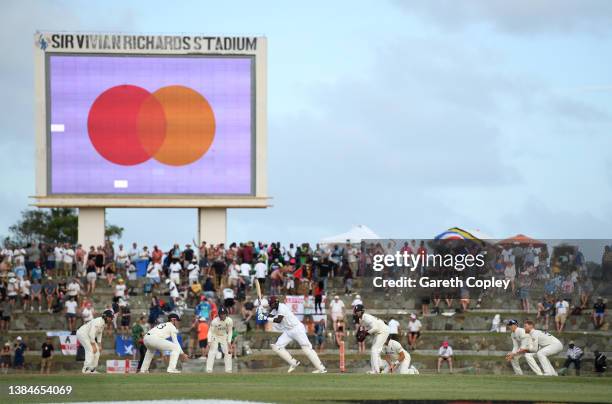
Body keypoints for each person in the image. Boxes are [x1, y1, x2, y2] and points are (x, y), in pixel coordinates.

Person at [263, 295, 327, 373]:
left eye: (271, 304)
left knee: (306, 349)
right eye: (270, 304)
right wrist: (263, 313)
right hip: (288, 331)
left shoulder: (282, 308)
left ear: (276, 303)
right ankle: (293, 363)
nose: (270, 306)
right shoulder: (274, 309)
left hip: (297, 329)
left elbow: (278, 320)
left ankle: (321, 369)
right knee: (277, 347)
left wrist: (265, 317)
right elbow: (269, 316)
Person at [353, 304, 389, 374]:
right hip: (380, 331)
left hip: (382, 331)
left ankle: (376, 370)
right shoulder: (362, 318)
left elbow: (375, 328)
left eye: (358, 311)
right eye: (356, 311)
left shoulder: (366, 317)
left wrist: (366, 333)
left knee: (374, 350)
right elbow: (364, 329)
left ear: (362, 311)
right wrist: (361, 333)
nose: (356, 312)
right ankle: (380, 366)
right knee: (374, 350)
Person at [206, 306, 233, 373]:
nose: (222, 315)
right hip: (215, 336)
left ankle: (228, 369)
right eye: (221, 314)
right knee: (212, 352)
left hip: (224, 336)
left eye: (224, 314)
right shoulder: (215, 321)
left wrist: (229, 341)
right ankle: (209, 369)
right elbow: (210, 331)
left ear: (226, 314)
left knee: (228, 352)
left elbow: (230, 331)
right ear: (219, 314)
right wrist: (209, 341)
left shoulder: (229, 320)